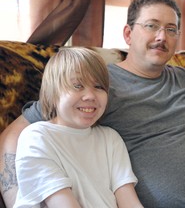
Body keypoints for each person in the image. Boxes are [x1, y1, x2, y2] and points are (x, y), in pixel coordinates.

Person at [0, 0, 185, 208]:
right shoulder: (97, 87)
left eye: (171, 29)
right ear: (128, 34)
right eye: (152, 26)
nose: (162, 37)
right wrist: (16, 199)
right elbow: (15, 134)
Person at [13, 47, 143, 208]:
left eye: (98, 87)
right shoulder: (36, 137)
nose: (90, 96)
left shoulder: (111, 138)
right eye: (77, 86)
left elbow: (129, 201)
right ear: (52, 94)